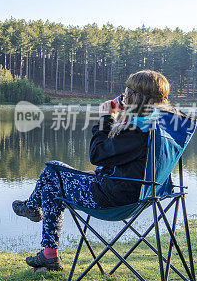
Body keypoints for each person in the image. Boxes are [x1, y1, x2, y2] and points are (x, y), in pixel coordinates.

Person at [12, 70, 173, 270]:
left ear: (134, 96)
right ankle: (48, 253)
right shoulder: (161, 127)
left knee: (52, 169)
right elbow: (134, 165)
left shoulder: (137, 132)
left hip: (112, 200)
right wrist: (101, 172)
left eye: (127, 90)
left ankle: (32, 209)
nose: (124, 93)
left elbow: (97, 154)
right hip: (143, 196)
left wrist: (106, 118)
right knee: (51, 188)